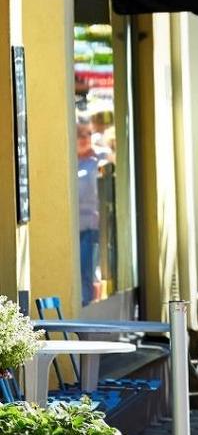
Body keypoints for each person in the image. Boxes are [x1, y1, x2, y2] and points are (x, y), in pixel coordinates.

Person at [76, 116, 102, 304]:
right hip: (70, 226)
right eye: (79, 134)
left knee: (86, 271)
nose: (85, 138)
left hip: (89, 227)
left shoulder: (97, 159)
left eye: (88, 133)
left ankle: (86, 310)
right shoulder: (68, 162)